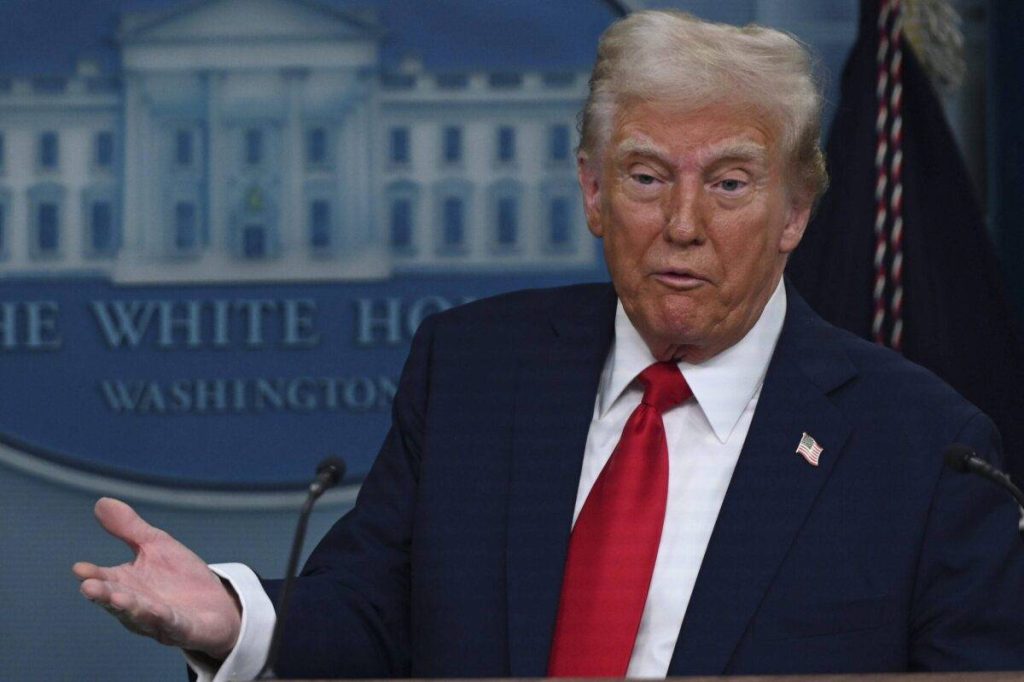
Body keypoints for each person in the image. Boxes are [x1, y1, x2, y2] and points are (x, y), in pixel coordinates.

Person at [74, 10, 1024, 680]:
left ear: (796, 212)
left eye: (730, 184)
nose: (683, 224)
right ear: (592, 193)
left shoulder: (924, 449)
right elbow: (369, 612)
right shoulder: (475, 372)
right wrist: (233, 619)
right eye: (645, 177)